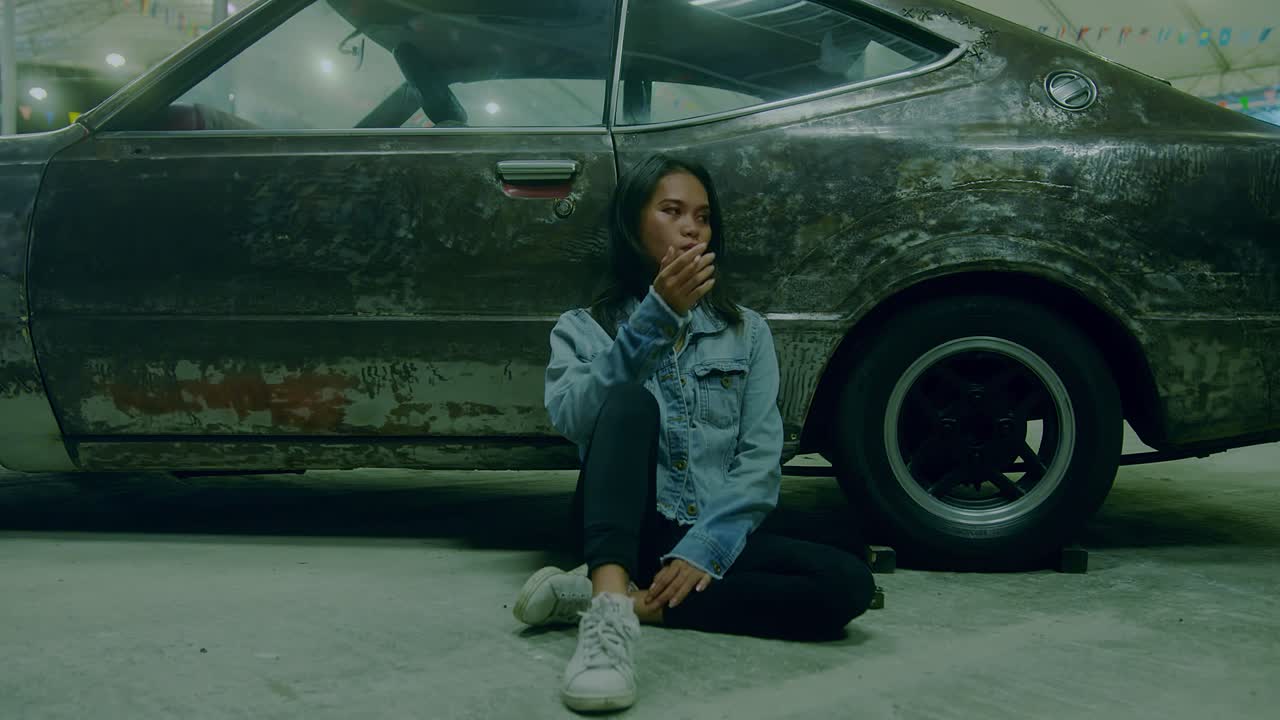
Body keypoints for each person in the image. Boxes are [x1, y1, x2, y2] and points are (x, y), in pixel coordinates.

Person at [512, 154, 875, 713]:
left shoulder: (746, 331)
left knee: (848, 576)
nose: (691, 228)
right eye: (672, 211)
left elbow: (759, 457)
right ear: (634, 223)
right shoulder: (582, 328)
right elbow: (573, 418)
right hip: (626, 526)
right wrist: (654, 319)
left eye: (702, 217)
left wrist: (705, 550)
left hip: (706, 519)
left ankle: (627, 602)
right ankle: (608, 619)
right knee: (629, 402)